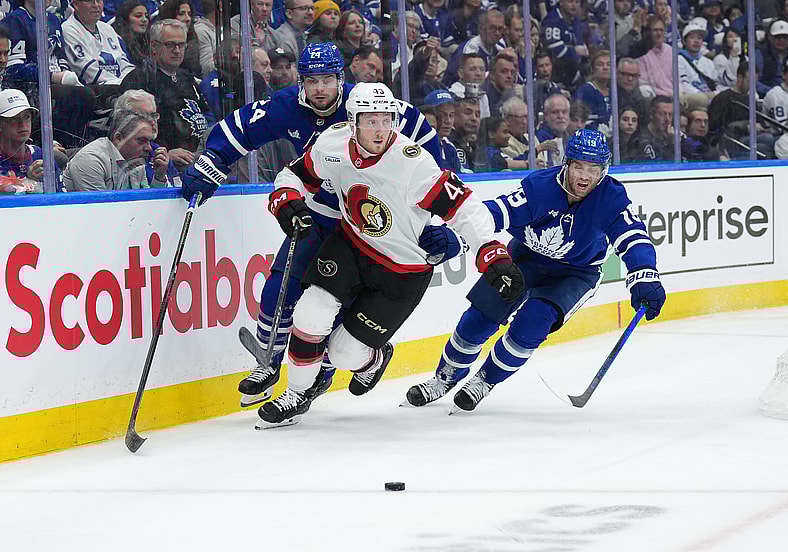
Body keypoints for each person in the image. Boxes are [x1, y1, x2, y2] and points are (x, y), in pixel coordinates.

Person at [179, 43, 454, 407]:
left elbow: (431, 150)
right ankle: (268, 363)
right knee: (279, 291)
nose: (320, 89)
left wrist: (434, 213)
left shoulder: (371, 106)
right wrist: (213, 158)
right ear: (301, 82)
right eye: (312, 81)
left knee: (333, 310)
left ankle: (317, 378)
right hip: (321, 216)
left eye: (327, 79)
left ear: (342, 79)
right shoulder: (287, 105)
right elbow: (238, 129)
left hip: (372, 229)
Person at [256, 83, 524, 426]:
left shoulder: (413, 164)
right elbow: (293, 175)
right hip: (351, 244)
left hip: (402, 271)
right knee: (310, 312)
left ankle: (374, 359)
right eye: (371, 120)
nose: (380, 129)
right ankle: (294, 394)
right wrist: (286, 202)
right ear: (352, 121)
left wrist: (493, 254)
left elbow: (464, 207)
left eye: (387, 119)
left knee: (343, 352)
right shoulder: (332, 143)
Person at [405, 129, 665, 412]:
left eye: (594, 168)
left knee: (533, 322)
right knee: (478, 319)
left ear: (604, 170)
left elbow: (633, 236)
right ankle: (444, 378)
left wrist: (644, 273)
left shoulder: (610, 198)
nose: (584, 176)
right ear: (567, 163)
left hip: (575, 273)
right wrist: (456, 237)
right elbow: (496, 213)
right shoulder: (541, 188)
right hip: (526, 258)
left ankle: (485, 380)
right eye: (578, 165)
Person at [120, 19, 212, 171]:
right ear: (154, 46)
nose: (177, 50)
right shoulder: (141, 79)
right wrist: (164, 152)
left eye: (181, 45)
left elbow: (207, 114)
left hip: (201, 152)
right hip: (167, 160)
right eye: (170, 44)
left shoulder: (187, 77)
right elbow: (132, 131)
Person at [63, 110, 158, 191]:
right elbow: (101, 209)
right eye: (141, 140)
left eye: (149, 141)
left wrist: (159, 177)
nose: (149, 148)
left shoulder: (135, 160)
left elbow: (148, 202)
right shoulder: (91, 160)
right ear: (118, 138)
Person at [0, 89, 63, 194]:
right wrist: (30, 183)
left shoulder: (42, 156)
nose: (22, 124)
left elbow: (62, 200)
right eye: (13, 119)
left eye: (26, 117)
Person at [62, 0, 136, 85]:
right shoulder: (69, 30)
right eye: (90, 1)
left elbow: (123, 63)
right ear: (76, 4)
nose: (96, 5)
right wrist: (121, 83)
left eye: (99, 0)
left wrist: (131, 80)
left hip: (119, 84)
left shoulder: (107, 29)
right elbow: (87, 72)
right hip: (95, 89)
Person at [112, 0, 151, 67]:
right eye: (138, 16)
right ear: (126, 19)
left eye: (146, 16)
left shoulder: (148, 41)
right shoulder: (118, 42)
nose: (144, 20)